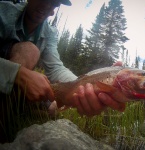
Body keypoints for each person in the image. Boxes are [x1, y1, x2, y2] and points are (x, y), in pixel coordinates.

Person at [0, 0, 125, 142]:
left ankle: (14, 111)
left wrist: (84, 87)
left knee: (52, 108)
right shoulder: (3, 10)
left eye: (53, 3)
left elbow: (55, 67)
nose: (46, 6)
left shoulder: (50, 32)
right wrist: (17, 73)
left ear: (55, 10)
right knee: (29, 51)